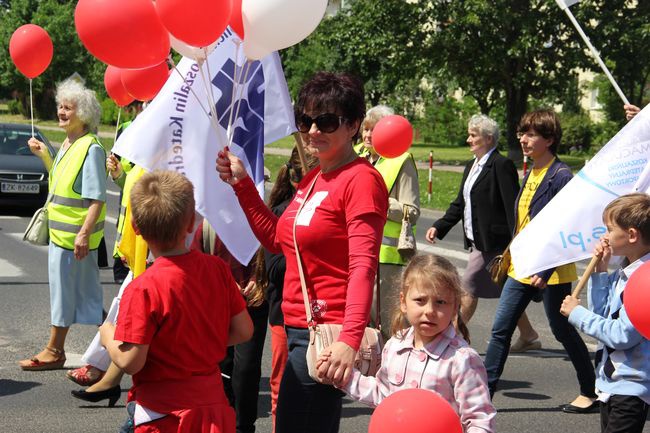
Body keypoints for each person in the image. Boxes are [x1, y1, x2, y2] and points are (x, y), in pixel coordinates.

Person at [216, 71, 388, 433]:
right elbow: (279, 240)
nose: (312, 131)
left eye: (325, 121)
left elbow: (363, 267)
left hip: (327, 334)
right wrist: (242, 184)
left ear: (354, 125)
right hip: (297, 328)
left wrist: (348, 341)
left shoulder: (361, 180)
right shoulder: (315, 178)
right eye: (305, 120)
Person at [99, 170, 253, 432]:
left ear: (136, 228)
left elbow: (131, 361)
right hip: (212, 407)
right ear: (192, 221)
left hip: (164, 414)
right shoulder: (217, 269)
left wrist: (107, 335)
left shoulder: (143, 288)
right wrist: (198, 342)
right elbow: (243, 330)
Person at [483, 108, 597, 413]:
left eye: (531, 134)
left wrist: (544, 269)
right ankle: (482, 398)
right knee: (500, 330)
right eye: (522, 132)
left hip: (552, 270)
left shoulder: (561, 176)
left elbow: (564, 226)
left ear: (549, 139)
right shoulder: (530, 171)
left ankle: (590, 391)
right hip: (522, 267)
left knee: (562, 331)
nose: (523, 139)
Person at [320, 254, 495, 433]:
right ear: (403, 302)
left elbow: (479, 420)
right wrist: (343, 375)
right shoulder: (395, 346)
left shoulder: (462, 359)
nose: (430, 311)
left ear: (455, 306)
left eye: (440, 302)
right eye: (420, 300)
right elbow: (382, 396)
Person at [20, 79, 106, 371]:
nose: (61, 112)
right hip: (62, 237)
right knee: (75, 296)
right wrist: (45, 155)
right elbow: (59, 184)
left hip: (75, 241)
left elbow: (97, 199)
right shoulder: (69, 144)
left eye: (67, 108)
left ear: (82, 113)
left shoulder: (90, 148)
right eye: (60, 106)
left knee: (85, 299)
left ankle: (59, 350)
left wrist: (83, 234)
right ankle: (116, 346)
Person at [561, 193, 650, 433]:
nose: (605, 236)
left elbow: (622, 336)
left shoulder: (645, 280)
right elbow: (603, 316)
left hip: (632, 387)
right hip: (611, 385)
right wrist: (600, 271)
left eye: (610, 229)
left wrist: (577, 314)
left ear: (632, 235)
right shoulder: (626, 273)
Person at [425, 115, 522, 329]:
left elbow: (512, 207)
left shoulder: (501, 165)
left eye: (473, 135)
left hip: (494, 242)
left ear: (488, 139)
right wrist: (439, 226)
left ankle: (452, 335)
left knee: (468, 287)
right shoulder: (472, 166)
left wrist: (516, 241)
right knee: (508, 289)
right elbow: (460, 203)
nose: (468, 139)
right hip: (476, 240)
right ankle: (529, 334)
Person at [68, 158, 148, 405]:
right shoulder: (147, 151)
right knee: (124, 309)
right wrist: (120, 175)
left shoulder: (165, 149)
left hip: (153, 248)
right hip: (141, 246)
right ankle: (105, 376)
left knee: (127, 314)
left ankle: (103, 374)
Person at [255, 146, 318, 432]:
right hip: (285, 315)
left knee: (320, 385)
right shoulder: (283, 213)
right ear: (298, 179)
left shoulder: (323, 211)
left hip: (320, 314)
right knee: (284, 380)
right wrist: (306, 253)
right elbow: (275, 269)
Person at [191, 219, 268, 433]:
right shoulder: (208, 224)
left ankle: (243, 426)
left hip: (253, 301)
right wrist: (223, 280)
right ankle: (221, 422)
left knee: (246, 369)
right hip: (218, 304)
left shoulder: (258, 217)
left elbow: (274, 251)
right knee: (220, 366)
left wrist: (259, 278)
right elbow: (195, 263)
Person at [356, 105, 420, 339]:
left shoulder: (402, 160)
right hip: (355, 251)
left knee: (386, 323)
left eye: (374, 130)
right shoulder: (356, 156)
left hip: (387, 257)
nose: (368, 135)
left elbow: (412, 211)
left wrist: (381, 201)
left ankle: (393, 368)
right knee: (358, 319)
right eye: (366, 128)